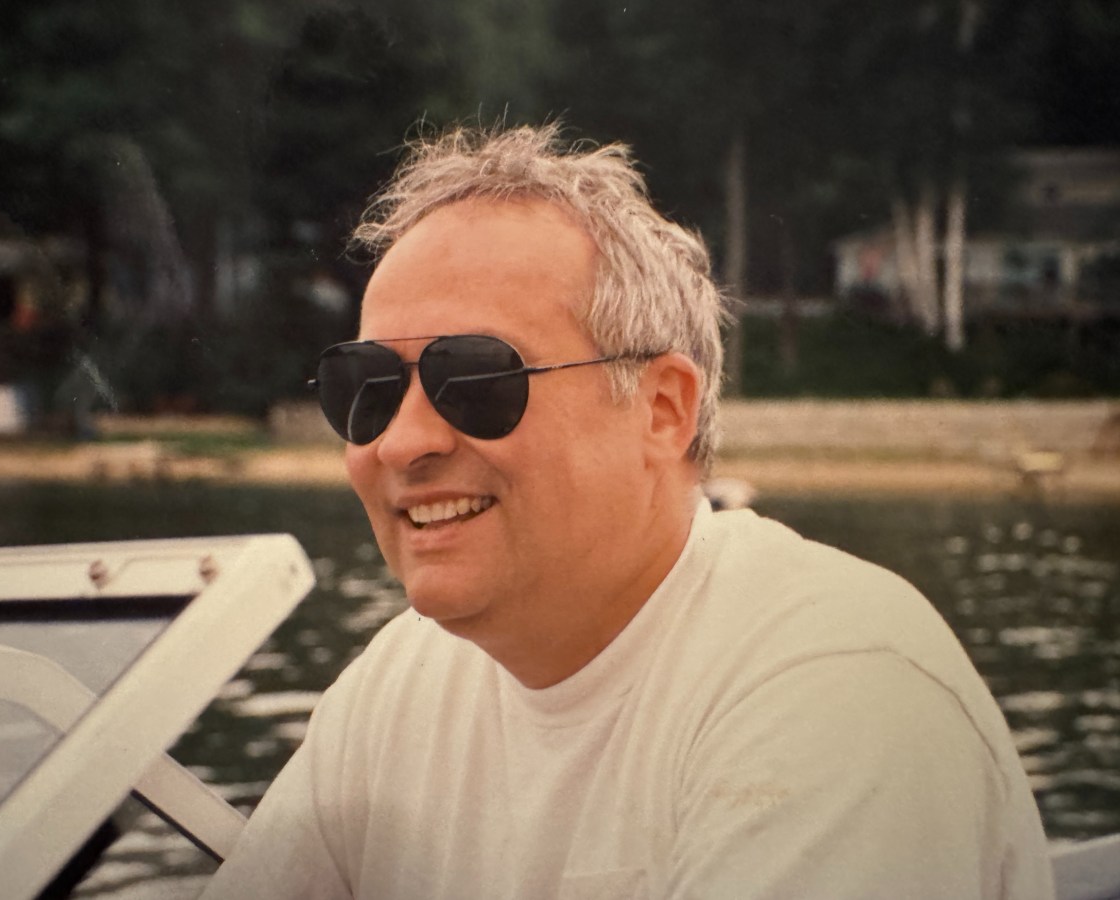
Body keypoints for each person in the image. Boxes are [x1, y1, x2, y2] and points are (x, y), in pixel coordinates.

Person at [203, 124, 1053, 899]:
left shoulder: (840, 688)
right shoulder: (397, 688)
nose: (401, 443)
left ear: (662, 409)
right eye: (368, 390)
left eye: (475, 381)